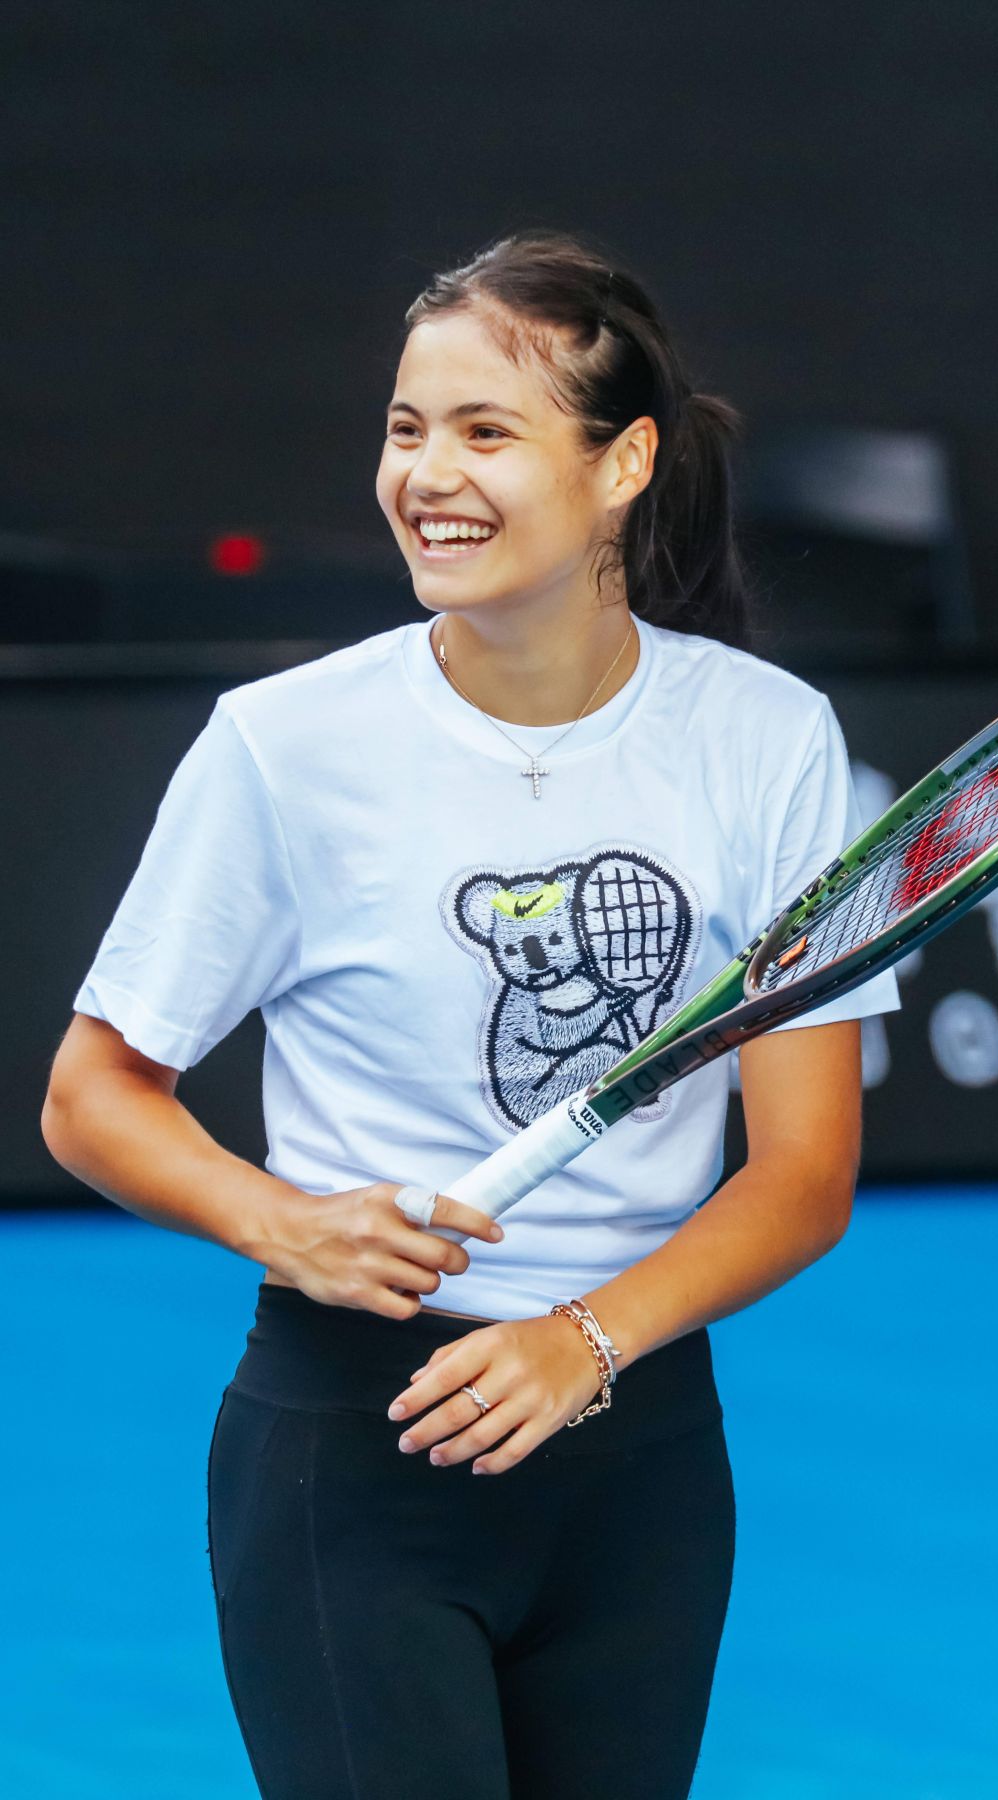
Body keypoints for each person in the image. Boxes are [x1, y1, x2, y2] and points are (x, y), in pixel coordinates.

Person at [42, 228, 900, 1800]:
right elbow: (92, 1095)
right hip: (355, 1451)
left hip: (640, 1457)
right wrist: (282, 1224)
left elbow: (804, 1171)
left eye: (485, 431)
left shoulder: (771, 742)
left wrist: (589, 1340)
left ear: (625, 461)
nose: (427, 473)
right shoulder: (280, 749)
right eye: (405, 426)